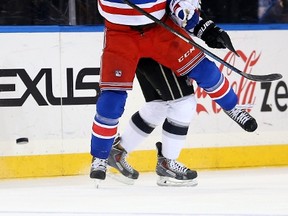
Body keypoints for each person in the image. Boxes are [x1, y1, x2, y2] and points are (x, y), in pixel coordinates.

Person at [89, 0, 257, 182]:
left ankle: (232, 107)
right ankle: (100, 156)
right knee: (111, 101)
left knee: (204, 71)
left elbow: (180, 7)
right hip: (120, 33)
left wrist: (205, 28)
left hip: (158, 27)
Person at [107, 57, 257, 186]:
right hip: (157, 47)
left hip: (141, 47)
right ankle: (167, 164)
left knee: (157, 105)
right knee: (184, 104)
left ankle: (117, 151)